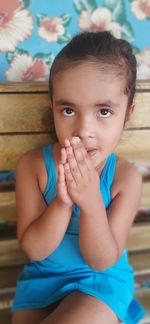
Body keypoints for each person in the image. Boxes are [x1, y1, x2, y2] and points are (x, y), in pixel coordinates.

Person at [12, 31, 146, 324]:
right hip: (42, 279)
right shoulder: (34, 166)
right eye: (69, 110)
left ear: (127, 116)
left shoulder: (125, 178)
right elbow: (35, 250)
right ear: (54, 110)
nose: (84, 129)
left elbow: (102, 260)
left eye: (104, 112)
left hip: (101, 282)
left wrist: (91, 203)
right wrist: (62, 202)